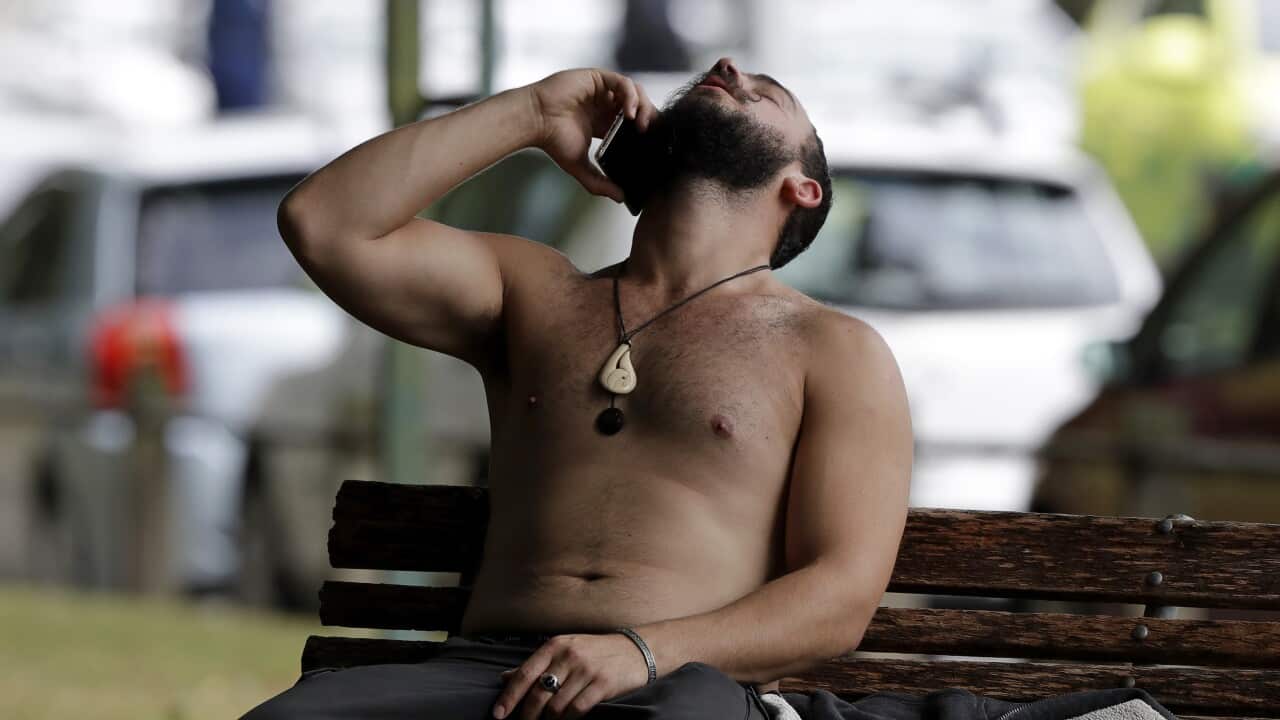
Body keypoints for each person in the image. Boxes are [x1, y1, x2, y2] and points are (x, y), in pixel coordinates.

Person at [242, 57, 913, 720]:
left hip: (680, 684)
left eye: (767, 94)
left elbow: (840, 599)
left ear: (803, 189)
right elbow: (323, 223)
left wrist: (641, 653)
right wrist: (533, 113)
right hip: (488, 673)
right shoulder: (533, 292)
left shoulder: (833, 348)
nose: (728, 66)